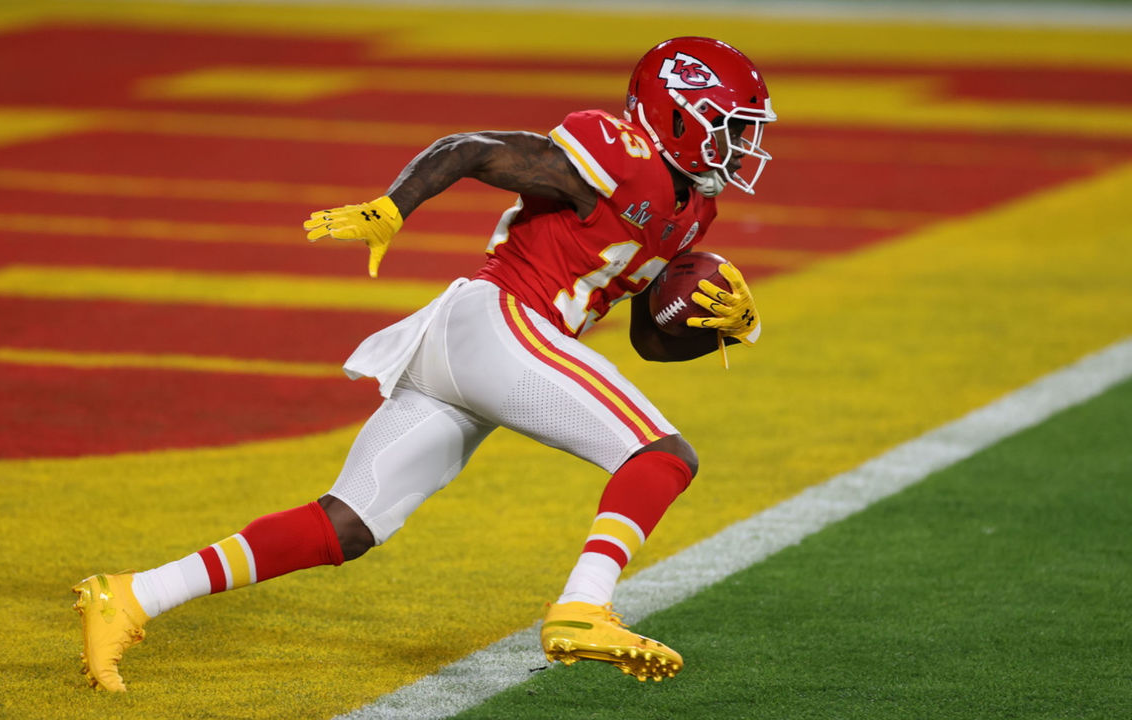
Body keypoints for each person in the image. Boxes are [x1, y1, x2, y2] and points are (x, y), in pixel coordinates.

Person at [71, 36, 775, 690]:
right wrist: (392, 207)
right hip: (500, 323)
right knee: (663, 456)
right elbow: (470, 149)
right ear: (680, 116)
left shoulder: (692, 211)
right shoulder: (618, 152)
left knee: (347, 525)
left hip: (479, 350)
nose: (745, 144)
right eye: (734, 126)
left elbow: (648, 337)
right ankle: (582, 605)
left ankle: (132, 595)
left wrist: (719, 328)